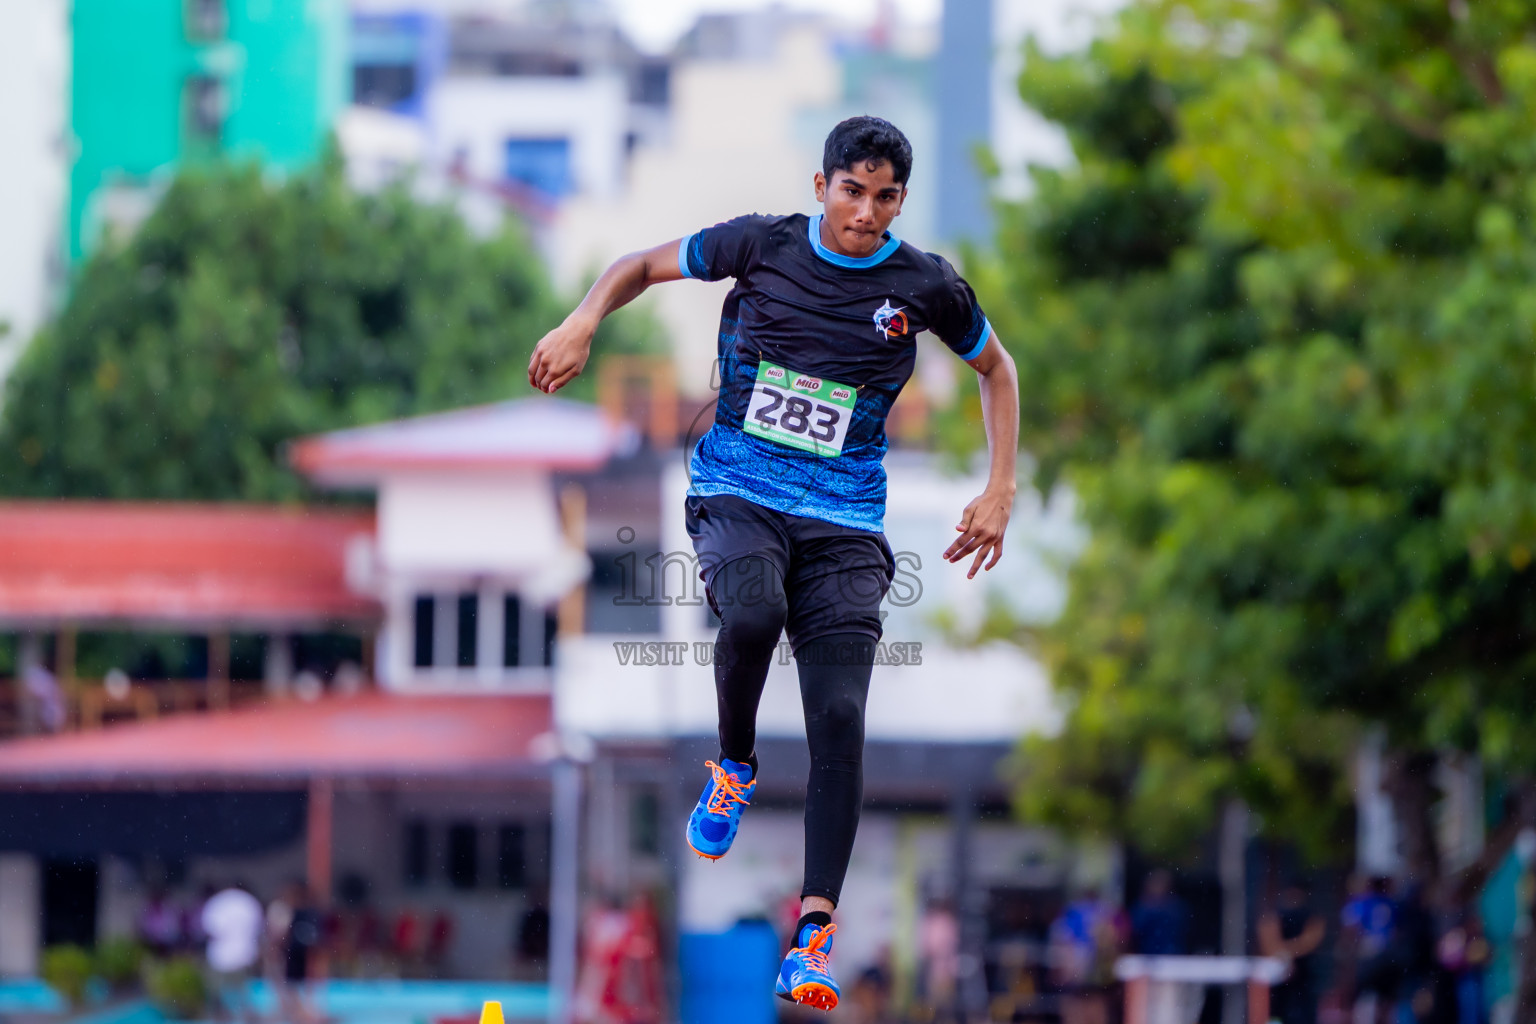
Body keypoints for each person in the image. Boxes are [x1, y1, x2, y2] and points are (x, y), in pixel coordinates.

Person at [527, 115, 1019, 1011]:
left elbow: (998, 370)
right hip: (739, 493)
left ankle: (813, 939)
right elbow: (636, 265)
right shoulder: (762, 245)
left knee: (839, 716)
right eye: (851, 191)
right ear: (823, 183)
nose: (865, 213)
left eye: (884, 198)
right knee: (750, 614)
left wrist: (999, 489)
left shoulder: (927, 285)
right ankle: (734, 766)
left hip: (844, 525)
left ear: (900, 201)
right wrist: (582, 321)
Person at [1259, 880, 1326, 1024]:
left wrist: (1286, 954)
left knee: (1302, 1013)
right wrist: (1285, 958)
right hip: (1279, 973)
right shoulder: (1275, 915)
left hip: (1303, 973)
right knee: (1275, 1013)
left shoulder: (1310, 916)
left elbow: (1311, 941)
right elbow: (1268, 939)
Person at [200, 883, 263, 1021]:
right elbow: (258, 929)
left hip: (220, 958)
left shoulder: (217, 902)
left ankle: (220, 1020)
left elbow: (210, 931)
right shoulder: (249, 902)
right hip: (245, 955)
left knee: (216, 996)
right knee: (244, 997)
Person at [1130, 869, 1189, 956]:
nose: (1158, 887)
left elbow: (1183, 928)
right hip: (1146, 956)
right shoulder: (1141, 907)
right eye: (1155, 883)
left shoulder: (1177, 907)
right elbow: (1135, 929)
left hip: (1173, 956)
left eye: (1161, 883)